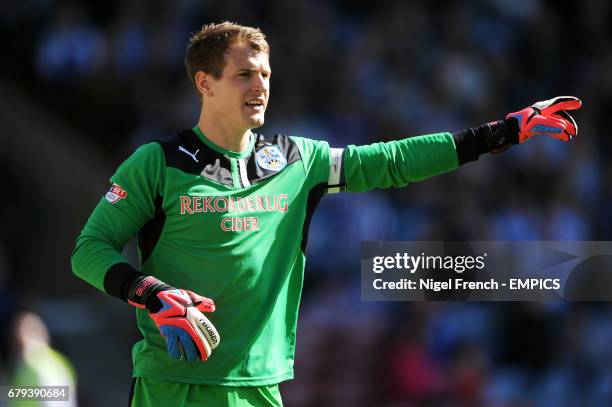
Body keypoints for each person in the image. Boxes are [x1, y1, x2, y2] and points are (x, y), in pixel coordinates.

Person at [71, 21, 581, 407]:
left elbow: (392, 162)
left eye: (265, 73)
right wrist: (150, 293)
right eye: (244, 74)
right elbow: (89, 250)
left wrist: (502, 131)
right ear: (204, 83)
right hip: (173, 384)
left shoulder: (298, 161)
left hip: (260, 385)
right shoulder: (157, 163)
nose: (260, 85)